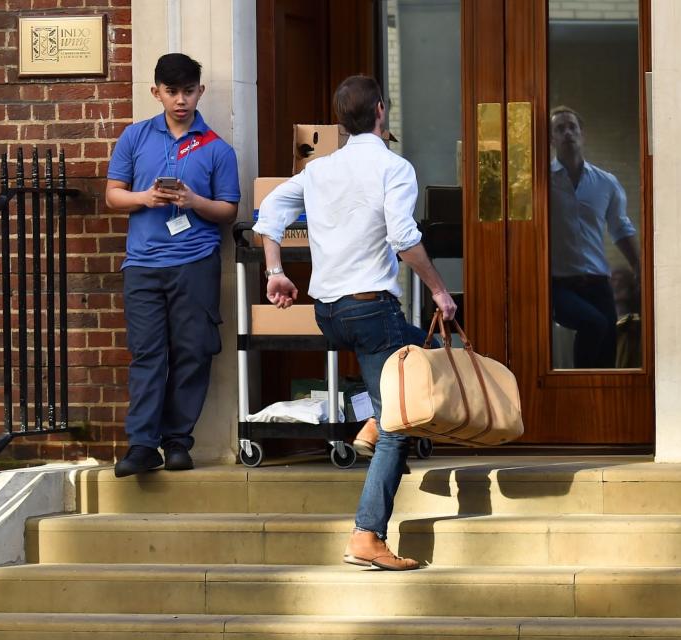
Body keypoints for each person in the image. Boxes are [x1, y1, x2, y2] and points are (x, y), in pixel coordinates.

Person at [254, 75, 456, 571]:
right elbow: (403, 236)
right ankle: (367, 535)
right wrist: (438, 288)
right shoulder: (394, 167)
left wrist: (276, 273)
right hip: (369, 309)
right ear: (382, 112)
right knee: (397, 427)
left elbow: (270, 211)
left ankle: (370, 420)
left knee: (424, 351)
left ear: (342, 121)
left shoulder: (319, 170)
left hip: (332, 315)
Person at [105, 53, 240, 477]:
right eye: (171, 91)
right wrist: (146, 197)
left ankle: (178, 441)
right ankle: (142, 445)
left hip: (195, 262)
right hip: (142, 264)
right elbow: (113, 195)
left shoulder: (218, 149)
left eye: (187, 91)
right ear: (156, 92)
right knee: (147, 354)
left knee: (192, 352)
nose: (180, 100)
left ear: (200, 91)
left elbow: (229, 211)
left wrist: (192, 201)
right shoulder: (134, 137)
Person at [549, 106, 640, 368]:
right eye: (560, 129)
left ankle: (602, 406)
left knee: (609, 345)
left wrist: (639, 267)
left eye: (572, 127)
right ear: (552, 139)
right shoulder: (542, 183)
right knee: (593, 324)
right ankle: (579, 396)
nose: (567, 133)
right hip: (559, 283)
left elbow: (621, 228)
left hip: (598, 281)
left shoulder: (605, 183)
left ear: (582, 134)